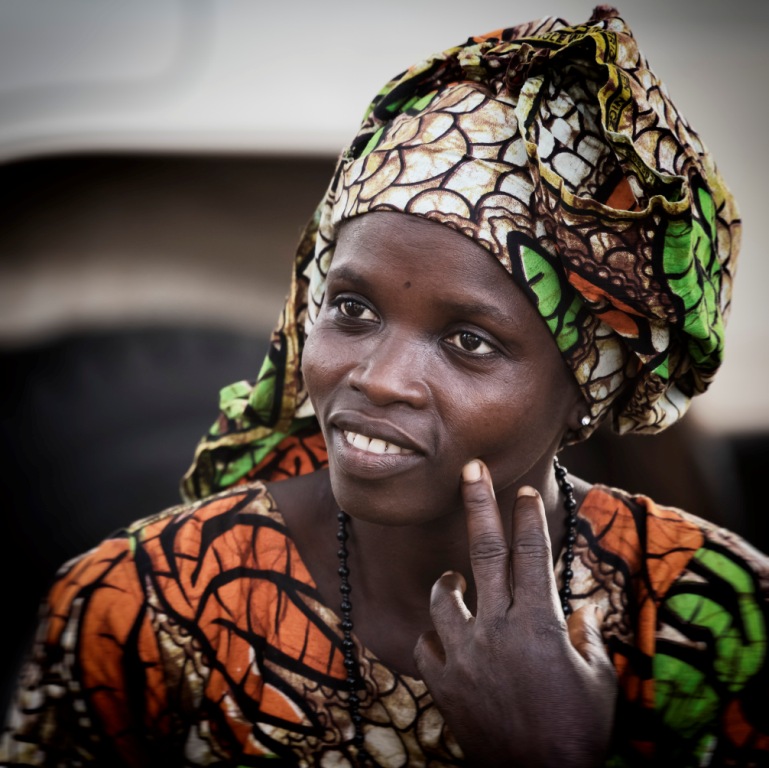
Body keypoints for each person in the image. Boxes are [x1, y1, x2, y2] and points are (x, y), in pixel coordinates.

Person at [1, 6, 766, 767]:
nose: (377, 378)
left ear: (587, 392)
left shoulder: (715, 618)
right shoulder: (141, 607)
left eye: (468, 341)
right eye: (353, 309)